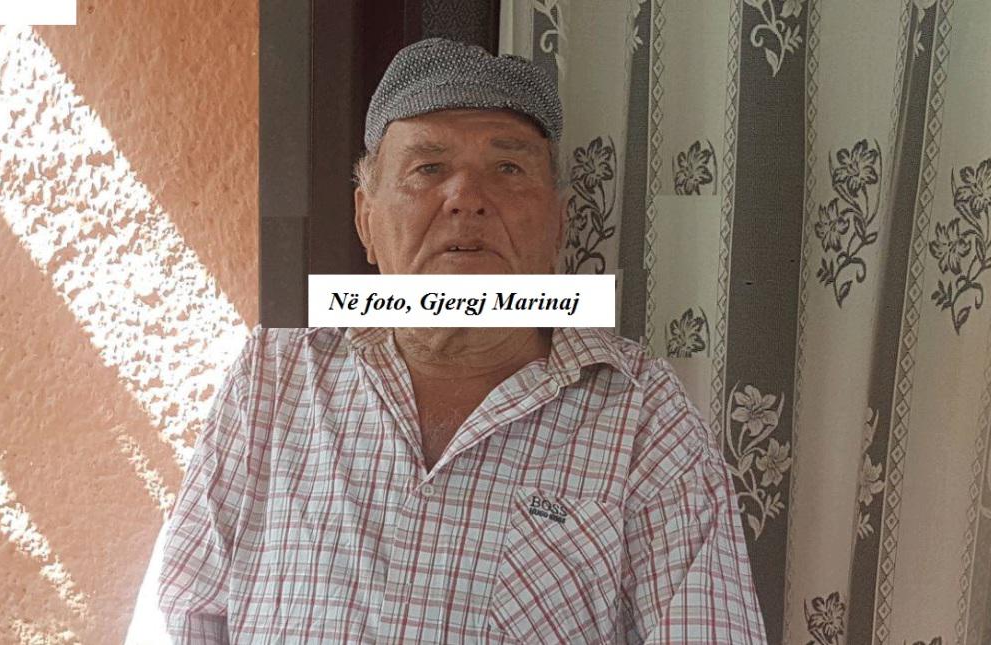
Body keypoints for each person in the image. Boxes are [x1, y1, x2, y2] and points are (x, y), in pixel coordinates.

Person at [157, 37, 767, 644]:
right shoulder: (273, 377)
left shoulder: (643, 415)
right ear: (366, 219)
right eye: (428, 168)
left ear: (559, 222)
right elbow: (186, 614)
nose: (467, 198)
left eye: (508, 168)